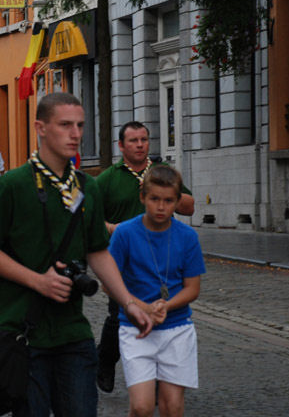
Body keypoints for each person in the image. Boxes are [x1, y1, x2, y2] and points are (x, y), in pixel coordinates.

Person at [0, 92, 153, 417]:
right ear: (41, 127)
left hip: (72, 331)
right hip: (21, 331)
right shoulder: (13, 185)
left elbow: (98, 252)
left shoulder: (89, 187)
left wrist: (129, 303)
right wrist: (38, 281)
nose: (76, 134)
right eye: (65, 125)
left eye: (80, 125)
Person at [95, 121, 195, 393]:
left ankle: (156, 375)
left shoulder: (162, 173)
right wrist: (113, 228)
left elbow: (189, 206)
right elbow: (89, 218)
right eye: (133, 141)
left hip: (162, 255)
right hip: (123, 258)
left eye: (144, 140)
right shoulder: (108, 179)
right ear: (121, 146)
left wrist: (169, 192)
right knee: (119, 314)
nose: (140, 145)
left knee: (162, 309)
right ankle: (104, 360)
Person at [108, 165, 205, 417]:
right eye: (154, 199)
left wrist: (165, 306)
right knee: (141, 407)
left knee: (172, 406)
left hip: (176, 328)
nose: (161, 207)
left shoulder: (187, 236)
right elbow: (110, 283)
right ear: (142, 197)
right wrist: (142, 307)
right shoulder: (125, 234)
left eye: (168, 201)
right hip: (135, 327)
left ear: (177, 201)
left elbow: (192, 288)